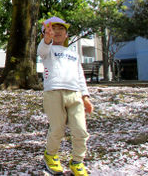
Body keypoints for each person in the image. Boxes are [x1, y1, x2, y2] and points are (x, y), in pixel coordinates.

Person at [38, 17, 94, 176]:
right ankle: (50, 155)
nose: (56, 32)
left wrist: (85, 96)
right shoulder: (47, 50)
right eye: (52, 29)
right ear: (45, 34)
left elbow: (80, 75)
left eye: (60, 29)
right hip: (53, 93)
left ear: (67, 34)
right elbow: (41, 50)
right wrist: (46, 40)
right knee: (57, 128)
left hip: (74, 94)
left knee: (81, 130)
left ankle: (77, 161)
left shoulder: (73, 54)